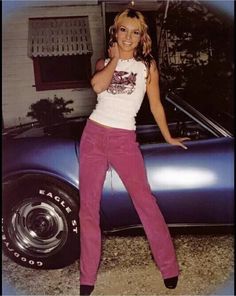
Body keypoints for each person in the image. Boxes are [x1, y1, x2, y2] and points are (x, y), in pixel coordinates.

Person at [79, 8, 189, 296]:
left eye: (135, 32)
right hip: (93, 136)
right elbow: (97, 85)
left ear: (143, 37)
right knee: (88, 208)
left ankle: (169, 268)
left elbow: (155, 105)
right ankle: (87, 277)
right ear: (115, 32)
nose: (128, 37)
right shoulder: (104, 62)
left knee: (146, 203)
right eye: (123, 30)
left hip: (124, 139)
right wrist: (115, 58)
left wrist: (168, 137)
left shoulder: (147, 66)